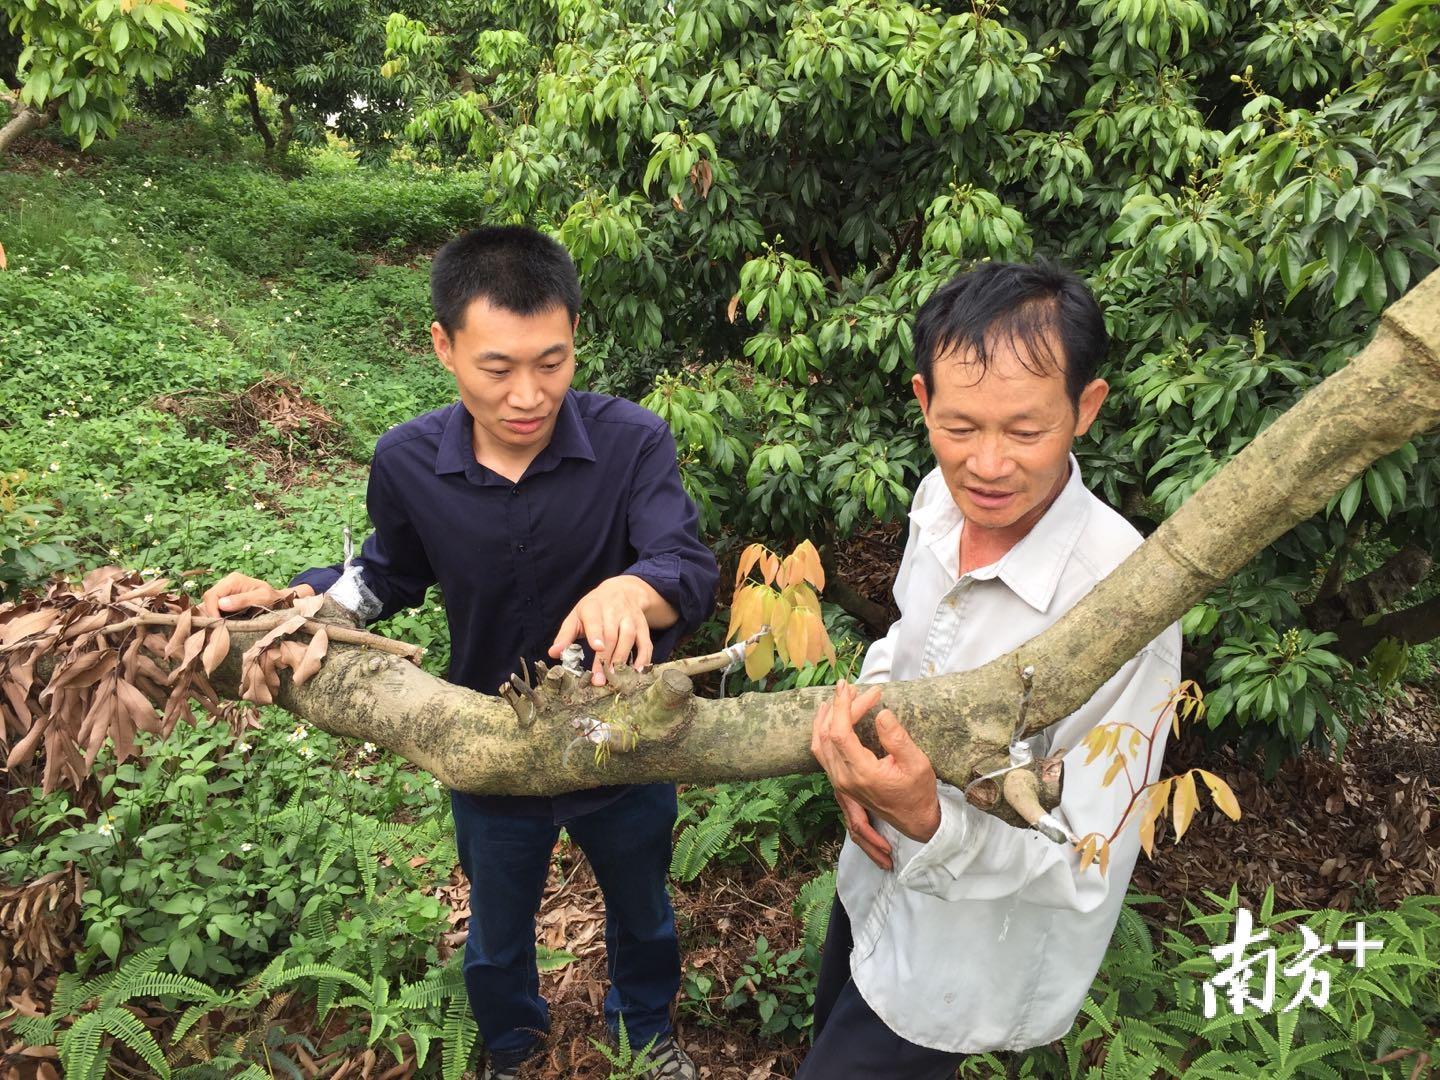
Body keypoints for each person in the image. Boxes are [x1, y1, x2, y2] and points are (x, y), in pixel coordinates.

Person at [201, 226, 717, 1080]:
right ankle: (511, 1044)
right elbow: (385, 576)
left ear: (575, 336)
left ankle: (645, 1034)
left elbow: (685, 565)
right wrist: (294, 605)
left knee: (643, 908)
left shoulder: (631, 442)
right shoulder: (408, 462)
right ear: (444, 346)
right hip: (486, 737)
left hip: (622, 733)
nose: (528, 393)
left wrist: (634, 588)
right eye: (498, 368)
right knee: (497, 926)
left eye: (552, 363)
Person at [799, 261, 1182, 1078]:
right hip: (874, 883)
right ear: (923, 401)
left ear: (1087, 407)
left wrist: (933, 823)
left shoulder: (1124, 603)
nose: (989, 465)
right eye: (961, 427)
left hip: (964, 968)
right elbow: (905, 643)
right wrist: (857, 761)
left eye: (1025, 429)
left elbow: (1090, 851)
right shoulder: (941, 501)